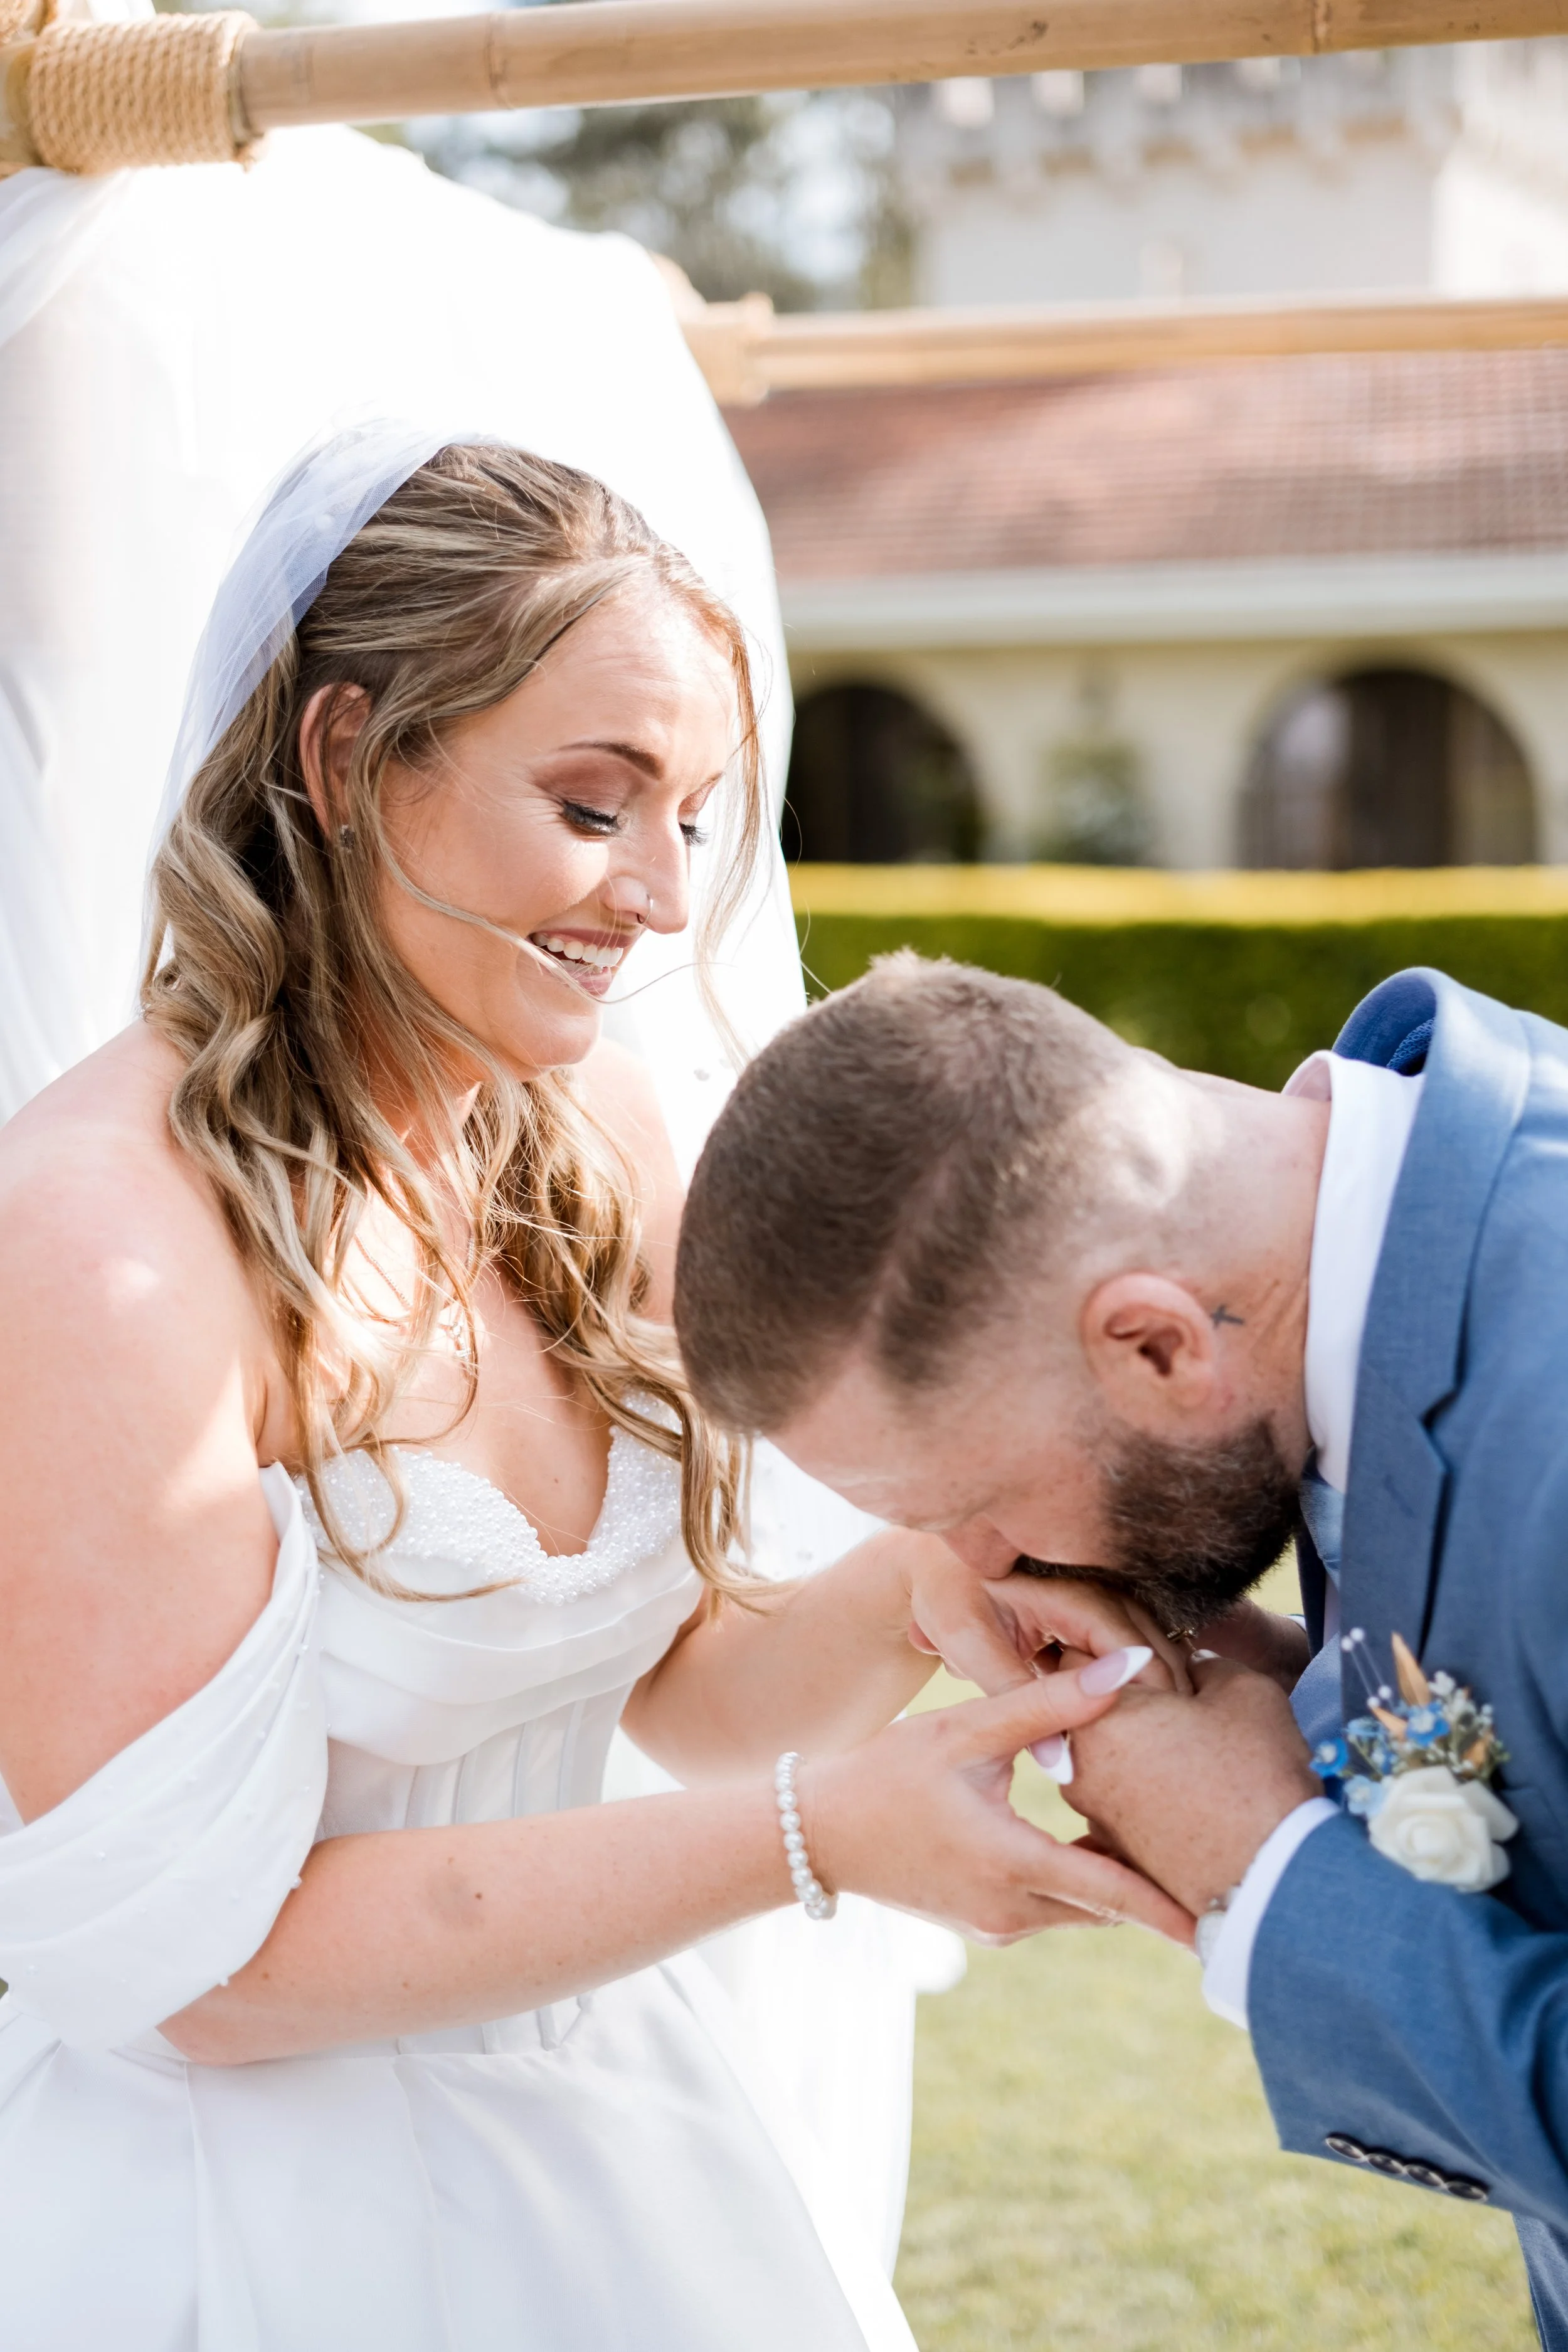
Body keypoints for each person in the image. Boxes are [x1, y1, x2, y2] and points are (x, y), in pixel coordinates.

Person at [0, 440, 1192, 2351]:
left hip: (607, 2150)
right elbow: (191, 1970)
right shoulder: (100, 1242)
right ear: (341, 755)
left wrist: (925, 1580)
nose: (653, 895)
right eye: (590, 803)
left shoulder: (588, 1137)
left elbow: (682, 1688)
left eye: (696, 819)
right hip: (232, 2212)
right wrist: (821, 1832)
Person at [673, 950, 1568, 2351]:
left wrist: (1268, 1874)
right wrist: (1299, 1683)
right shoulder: (1397, 1245)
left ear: (1153, 1347)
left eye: (968, 1506)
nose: (970, 1563)